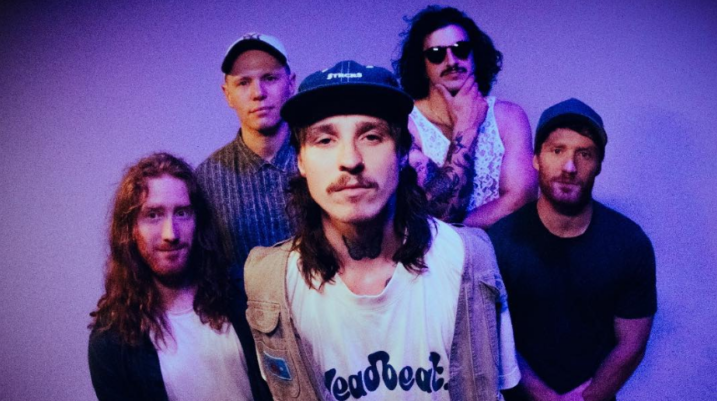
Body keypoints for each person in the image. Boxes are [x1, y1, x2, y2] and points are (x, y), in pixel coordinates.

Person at [243, 60, 520, 400]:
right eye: (325, 140)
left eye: (372, 136)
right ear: (300, 160)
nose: (350, 160)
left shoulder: (468, 260)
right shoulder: (271, 283)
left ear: (402, 152)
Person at [488, 99, 657, 401]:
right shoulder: (499, 242)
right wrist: (545, 397)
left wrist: (586, 397)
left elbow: (631, 344)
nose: (569, 167)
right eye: (557, 151)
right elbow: (492, 336)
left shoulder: (629, 243)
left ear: (599, 165)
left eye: (584, 154)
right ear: (536, 159)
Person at [88, 152, 271, 400]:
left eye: (182, 213)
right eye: (153, 215)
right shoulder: (110, 340)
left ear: (198, 221)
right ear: (130, 229)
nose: (170, 234)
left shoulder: (243, 294)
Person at [394, 5, 537, 228]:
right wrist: (466, 128)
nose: (451, 61)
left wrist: (458, 234)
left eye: (461, 49)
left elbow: (521, 200)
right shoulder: (405, 124)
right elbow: (438, 210)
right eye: (436, 54)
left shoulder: (510, 117)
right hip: (432, 252)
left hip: (502, 248)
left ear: (475, 55)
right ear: (422, 66)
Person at [196, 32, 297, 287]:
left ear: (291, 83)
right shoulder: (207, 178)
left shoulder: (321, 158)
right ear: (227, 94)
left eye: (270, 78)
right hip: (244, 312)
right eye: (243, 83)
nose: (258, 93)